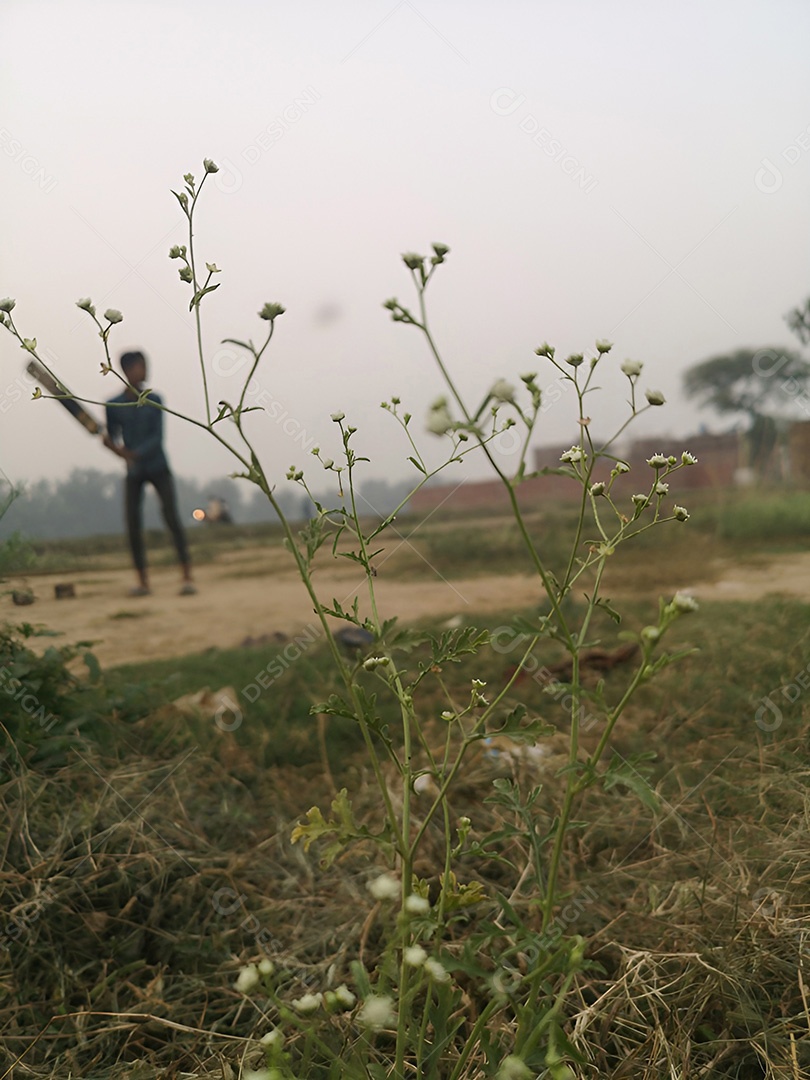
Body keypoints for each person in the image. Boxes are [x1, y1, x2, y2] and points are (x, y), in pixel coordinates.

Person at [103, 351, 196, 597]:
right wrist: (112, 447)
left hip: (158, 466)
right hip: (134, 472)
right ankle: (143, 581)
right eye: (140, 367)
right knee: (132, 522)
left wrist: (133, 453)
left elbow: (157, 438)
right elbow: (112, 438)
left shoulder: (155, 400)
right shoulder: (113, 405)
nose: (144, 371)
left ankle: (187, 576)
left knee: (171, 517)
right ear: (127, 370)